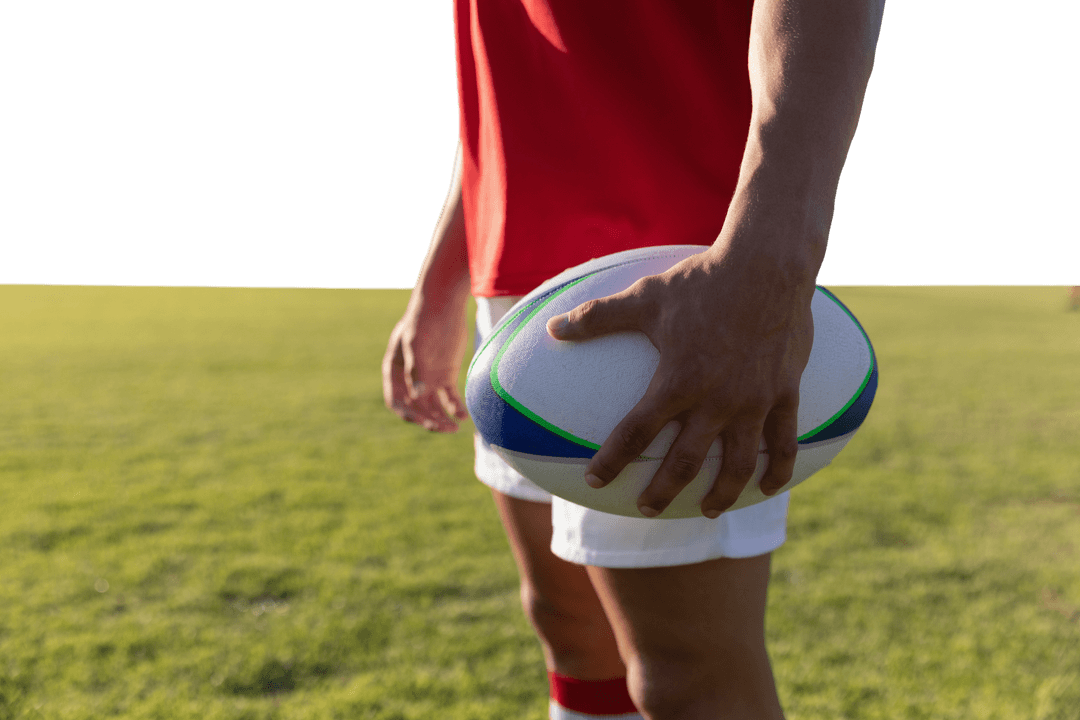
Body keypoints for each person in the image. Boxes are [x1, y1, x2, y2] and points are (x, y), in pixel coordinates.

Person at [383, 1, 886, 718]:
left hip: (675, 276)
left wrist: (768, 260)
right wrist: (445, 276)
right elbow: (515, 63)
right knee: (570, 630)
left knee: (687, 676)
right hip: (521, 276)